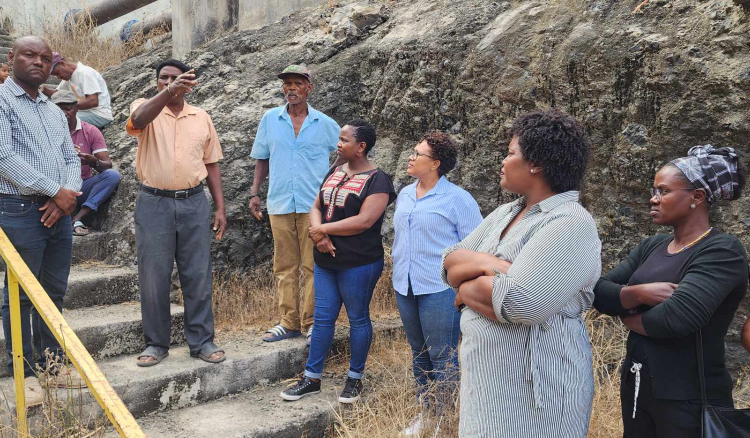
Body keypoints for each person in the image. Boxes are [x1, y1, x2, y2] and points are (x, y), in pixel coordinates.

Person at [441, 109, 601, 437]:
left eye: (511, 153)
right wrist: (493, 268)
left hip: (534, 395)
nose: (503, 160)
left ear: (536, 163)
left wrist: (463, 289)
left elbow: (520, 303)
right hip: (488, 384)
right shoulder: (506, 212)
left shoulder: (570, 221)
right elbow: (447, 262)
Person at [594, 145, 748, 438]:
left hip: (689, 400)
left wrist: (625, 314)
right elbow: (599, 293)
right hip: (638, 388)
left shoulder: (722, 251)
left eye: (663, 191)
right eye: (654, 190)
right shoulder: (652, 246)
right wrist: (639, 294)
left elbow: (676, 319)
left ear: (697, 197)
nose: (653, 199)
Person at [281, 120, 395, 404]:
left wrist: (323, 230)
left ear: (361, 147)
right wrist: (318, 235)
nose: (338, 144)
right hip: (325, 260)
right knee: (322, 319)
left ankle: (355, 378)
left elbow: (364, 221)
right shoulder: (334, 170)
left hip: (359, 263)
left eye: (343, 140)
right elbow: (317, 205)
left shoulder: (378, 180)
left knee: (357, 319)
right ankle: (312, 377)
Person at [126, 59, 227, 366]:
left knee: (197, 273)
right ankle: (156, 344)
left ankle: (202, 342)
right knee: (154, 276)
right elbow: (138, 120)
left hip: (193, 201)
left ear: (190, 83)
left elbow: (211, 163)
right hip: (154, 202)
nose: (169, 82)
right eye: (163, 78)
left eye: (176, 78)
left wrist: (220, 206)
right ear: (157, 82)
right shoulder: (144, 107)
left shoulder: (201, 116)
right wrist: (166, 92)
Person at [0, 36, 83, 406]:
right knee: (19, 297)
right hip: (19, 209)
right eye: (29, 55)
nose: (38, 62)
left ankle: (52, 364)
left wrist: (66, 197)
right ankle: (25, 373)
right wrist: (55, 190)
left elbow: (70, 157)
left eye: (45, 57)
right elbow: (3, 158)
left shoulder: (51, 110)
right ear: (12, 58)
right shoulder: (2, 102)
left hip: (58, 211)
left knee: (53, 292)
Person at [392, 132, 482, 435]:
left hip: (439, 289)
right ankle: (426, 413)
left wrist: (463, 290)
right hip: (405, 285)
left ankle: (445, 418)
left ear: (436, 164)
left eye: (418, 153)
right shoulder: (405, 194)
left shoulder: (458, 199)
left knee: (442, 354)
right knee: (418, 352)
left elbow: (475, 248)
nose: (411, 157)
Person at [249, 65, 343, 344]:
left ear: (308, 89)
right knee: (284, 265)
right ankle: (289, 322)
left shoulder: (324, 123)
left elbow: (345, 152)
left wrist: (330, 181)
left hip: (314, 205)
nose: (291, 88)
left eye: (297, 84)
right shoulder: (270, 119)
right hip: (279, 202)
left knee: (315, 265)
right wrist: (255, 193)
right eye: (287, 84)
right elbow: (261, 159)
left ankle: (313, 321)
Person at [51, 90, 120, 236]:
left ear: (77, 108)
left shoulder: (90, 131)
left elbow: (107, 164)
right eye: (59, 108)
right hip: (52, 187)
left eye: (68, 108)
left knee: (111, 175)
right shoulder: (45, 130)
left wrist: (92, 161)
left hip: (81, 186)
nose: (64, 113)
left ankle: (78, 218)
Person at [41, 53, 113, 129]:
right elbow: (58, 94)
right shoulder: (69, 76)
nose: (58, 77)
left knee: (58, 120)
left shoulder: (85, 73)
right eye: (55, 76)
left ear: (62, 64)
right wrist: (44, 90)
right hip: (84, 112)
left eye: (57, 73)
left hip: (98, 115)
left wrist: (67, 108)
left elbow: (93, 101)